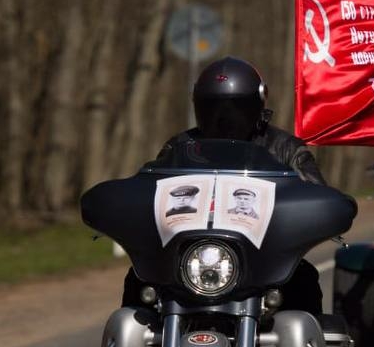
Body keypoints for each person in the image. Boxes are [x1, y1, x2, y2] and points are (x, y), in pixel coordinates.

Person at [121, 56, 327, 314]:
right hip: (188, 253)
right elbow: (151, 188)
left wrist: (316, 208)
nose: (223, 119)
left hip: (263, 256)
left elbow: (316, 193)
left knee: (302, 277)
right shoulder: (180, 147)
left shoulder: (285, 148)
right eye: (212, 109)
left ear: (256, 107)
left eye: (235, 109)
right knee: (139, 278)